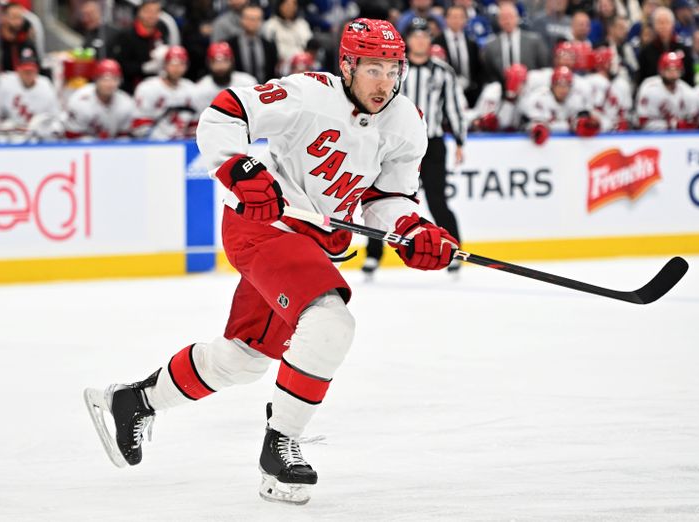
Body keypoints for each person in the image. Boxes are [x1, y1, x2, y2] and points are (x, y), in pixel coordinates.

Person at [84, 18, 457, 506]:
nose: (384, 83)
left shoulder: (406, 120)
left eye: (393, 70)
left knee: (243, 359)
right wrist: (242, 169)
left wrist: (412, 229)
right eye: (372, 69)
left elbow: (388, 198)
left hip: (313, 244)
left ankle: (132, 401)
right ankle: (280, 444)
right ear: (346, 65)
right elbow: (225, 113)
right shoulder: (308, 94)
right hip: (264, 226)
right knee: (330, 323)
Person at [361, 17, 467, 278]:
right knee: (380, 197)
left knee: (438, 199)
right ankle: (374, 255)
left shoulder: (442, 71)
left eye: (425, 35)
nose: (421, 39)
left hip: (432, 143)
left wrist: (460, 141)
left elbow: (452, 107)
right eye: (416, 35)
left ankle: (452, 249)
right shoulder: (395, 70)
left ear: (430, 40)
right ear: (408, 40)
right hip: (394, 144)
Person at [520, 65, 598, 145]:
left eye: (566, 85)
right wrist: (536, 127)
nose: (563, 89)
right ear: (552, 85)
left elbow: (579, 121)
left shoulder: (576, 100)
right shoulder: (537, 99)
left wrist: (584, 124)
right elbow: (529, 124)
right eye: (559, 84)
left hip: (567, 147)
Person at [131, 45, 197, 140]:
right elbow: (139, 126)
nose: (177, 68)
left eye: (181, 63)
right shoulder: (147, 88)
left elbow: (195, 125)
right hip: (154, 146)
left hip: (183, 144)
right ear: (165, 65)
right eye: (173, 63)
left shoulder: (192, 89)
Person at [62, 58, 135, 139]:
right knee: (87, 140)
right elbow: (71, 135)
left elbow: (124, 135)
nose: (109, 84)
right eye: (104, 79)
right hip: (84, 146)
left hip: (113, 145)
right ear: (96, 80)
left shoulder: (126, 102)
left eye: (114, 79)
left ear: (120, 82)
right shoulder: (79, 100)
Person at [0, 47, 59, 143]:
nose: (28, 74)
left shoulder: (45, 85)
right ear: (18, 70)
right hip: (10, 134)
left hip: (37, 135)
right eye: (25, 71)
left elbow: (55, 117)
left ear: (36, 71)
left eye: (31, 71)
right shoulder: (5, 82)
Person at [110, 0, 169, 93]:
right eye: (148, 11)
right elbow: (121, 64)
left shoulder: (162, 29)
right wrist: (143, 68)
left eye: (156, 12)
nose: (152, 15)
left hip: (158, 83)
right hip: (133, 86)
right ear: (139, 12)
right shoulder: (127, 35)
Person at [482, 1, 549, 84]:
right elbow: (490, 73)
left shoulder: (534, 41)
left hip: (529, 87)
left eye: (510, 17)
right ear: (498, 21)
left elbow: (544, 67)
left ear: (517, 18)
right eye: (503, 18)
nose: (507, 21)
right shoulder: (490, 46)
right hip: (502, 88)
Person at [433, 5, 483, 107]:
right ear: (446, 19)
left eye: (461, 17)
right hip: (446, 94)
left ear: (465, 20)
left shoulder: (472, 43)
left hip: (470, 94)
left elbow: (478, 70)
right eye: (453, 17)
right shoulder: (437, 42)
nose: (457, 20)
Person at [635, 51, 699, 130]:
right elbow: (642, 122)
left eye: (676, 70)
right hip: (653, 137)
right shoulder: (649, 88)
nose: (673, 74)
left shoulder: (688, 92)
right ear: (661, 71)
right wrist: (673, 125)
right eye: (669, 70)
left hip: (679, 138)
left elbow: (693, 122)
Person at [637, 6, 695, 86]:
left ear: (673, 24)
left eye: (666, 22)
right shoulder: (646, 52)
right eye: (660, 22)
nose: (663, 26)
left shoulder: (684, 49)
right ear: (654, 25)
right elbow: (642, 79)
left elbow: (690, 77)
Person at [192, 42, 257, 113]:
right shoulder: (200, 89)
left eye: (225, 60)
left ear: (232, 61)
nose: (220, 66)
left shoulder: (248, 83)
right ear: (208, 63)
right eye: (215, 62)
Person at [226, 4, 278, 84]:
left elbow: (272, 73)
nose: (253, 22)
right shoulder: (230, 45)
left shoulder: (269, 45)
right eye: (249, 18)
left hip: (263, 90)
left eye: (257, 19)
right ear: (242, 20)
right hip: (238, 91)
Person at [584, 46, 632, 132]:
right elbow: (591, 112)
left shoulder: (622, 83)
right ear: (604, 64)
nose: (616, 65)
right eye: (611, 61)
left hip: (615, 129)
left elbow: (625, 112)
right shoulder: (591, 81)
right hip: (594, 129)